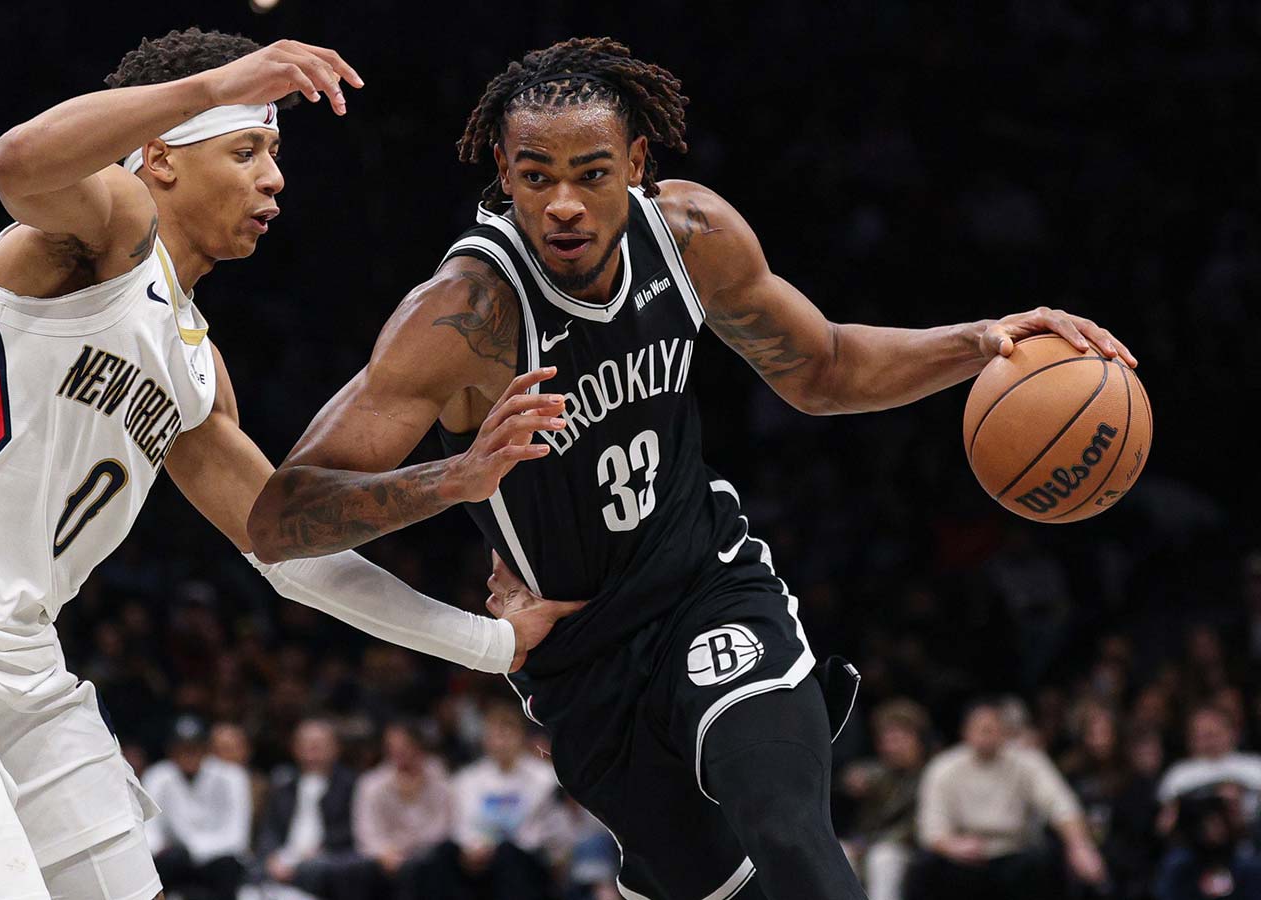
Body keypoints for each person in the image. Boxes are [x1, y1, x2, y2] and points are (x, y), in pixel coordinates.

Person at [245, 35, 1137, 900]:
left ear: (636, 163)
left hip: (705, 584)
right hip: (580, 656)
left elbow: (821, 368)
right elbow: (281, 519)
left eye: (591, 174)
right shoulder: (465, 315)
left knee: (786, 826)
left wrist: (980, 343)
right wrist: (452, 478)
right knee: (726, 887)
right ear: (503, 172)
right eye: (536, 176)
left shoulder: (692, 235)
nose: (563, 203)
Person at [0, 27, 576, 900]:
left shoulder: (196, 369)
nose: (274, 177)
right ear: (159, 157)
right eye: (247, 150)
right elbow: (16, 164)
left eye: (273, 152)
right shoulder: (107, 234)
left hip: (26, 670)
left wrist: (485, 620)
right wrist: (212, 84)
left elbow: (288, 550)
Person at [910, 699, 1107, 899]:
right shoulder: (943, 768)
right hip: (962, 856)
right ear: (965, 731)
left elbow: (1060, 803)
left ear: (1004, 731)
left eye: (992, 729)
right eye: (981, 729)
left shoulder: (1028, 761)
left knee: (1048, 861)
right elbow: (931, 827)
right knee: (925, 866)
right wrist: (952, 845)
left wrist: (1079, 845)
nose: (986, 735)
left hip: (1016, 853)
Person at [405, 702, 559, 900]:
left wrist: (495, 847)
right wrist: (474, 846)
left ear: (520, 737)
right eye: (495, 735)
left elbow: (540, 827)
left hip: (525, 856)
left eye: (507, 734)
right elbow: (462, 822)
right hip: (476, 854)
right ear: (485, 740)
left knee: (507, 854)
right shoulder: (468, 779)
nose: (501, 742)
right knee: (443, 854)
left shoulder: (544, 777)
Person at [256, 719, 378, 900]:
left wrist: (319, 849)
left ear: (336, 748)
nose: (312, 751)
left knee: (317, 870)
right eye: (305, 745)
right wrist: (270, 858)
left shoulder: (352, 785)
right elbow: (270, 829)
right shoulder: (284, 786)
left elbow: (352, 829)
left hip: (329, 855)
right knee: (251, 873)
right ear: (294, 748)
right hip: (285, 855)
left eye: (319, 745)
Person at [141, 715, 250, 900]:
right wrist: (164, 849)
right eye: (182, 748)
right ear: (171, 750)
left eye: (194, 748)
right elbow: (149, 830)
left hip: (218, 859)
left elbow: (237, 837)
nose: (188, 754)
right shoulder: (158, 776)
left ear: (206, 749)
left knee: (227, 867)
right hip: (177, 860)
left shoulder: (232, 776)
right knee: (163, 864)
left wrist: (196, 849)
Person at [840, 699, 932, 900]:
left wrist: (868, 844)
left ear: (919, 739)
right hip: (869, 844)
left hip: (911, 849)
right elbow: (861, 778)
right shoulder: (879, 773)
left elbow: (916, 827)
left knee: (883, 858)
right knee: (840, 852)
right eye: (886, 740)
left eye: (899, 739)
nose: (891, 747)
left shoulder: (933, 773)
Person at [352, 720, 453, 886]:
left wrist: (408, 847)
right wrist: (385, 853)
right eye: (392, 746)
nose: (398, 751)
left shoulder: (438, 778)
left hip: (429, 853)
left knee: (439, 858)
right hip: (384, 857)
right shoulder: (371, 784)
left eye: (405, 745)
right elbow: (366, 833)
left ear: (418, 746)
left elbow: (443, 825)